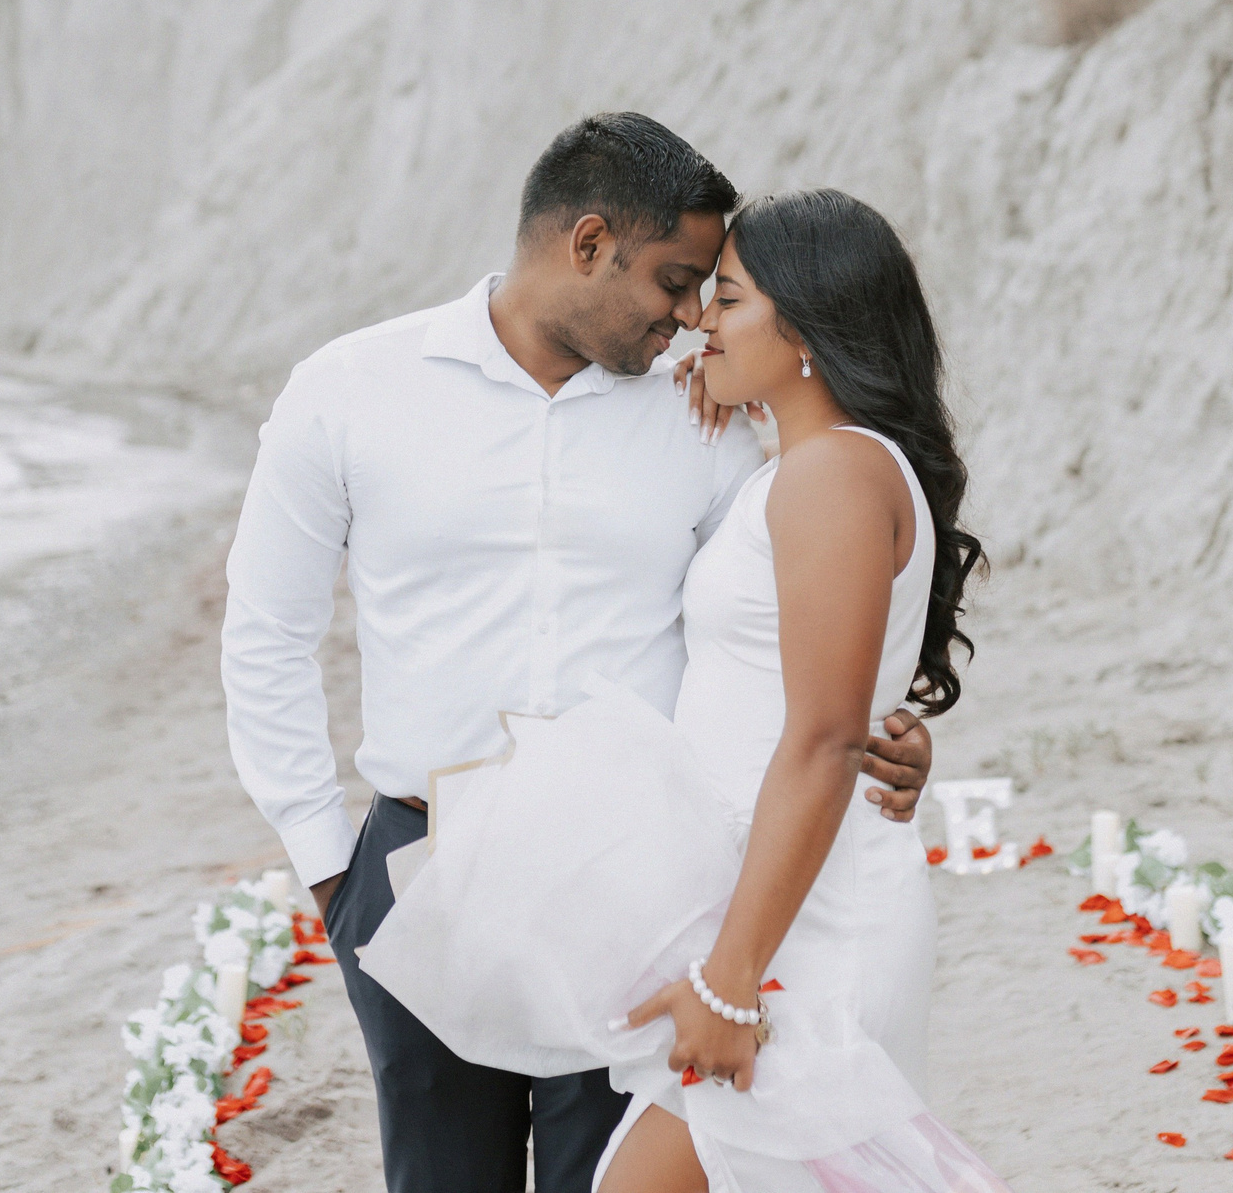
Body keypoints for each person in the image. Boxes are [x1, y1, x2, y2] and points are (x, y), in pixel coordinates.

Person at [220, 116, 938, 1193]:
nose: (690, 316)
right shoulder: (351, 387)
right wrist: (331, 867)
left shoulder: (707, 424)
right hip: (425, 868)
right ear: (589, 243)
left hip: (641, 888)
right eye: (675, 279)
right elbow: (265, 634)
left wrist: (888, 733)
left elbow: (794, 635)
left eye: (711, 290)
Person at [356, 188, 1009, 1193]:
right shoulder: (806, 465)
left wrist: (731, 980)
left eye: (730, 298)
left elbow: (826, 738)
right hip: (780, 898)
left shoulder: (830, 475)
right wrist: (730, 389)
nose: (701, 317)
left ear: (808, 328)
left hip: (804, 926)